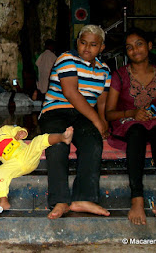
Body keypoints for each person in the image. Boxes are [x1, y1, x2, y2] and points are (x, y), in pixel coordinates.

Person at [38, 24, 111, 219]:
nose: (87, 48)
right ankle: (60, 201)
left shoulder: (105, 70)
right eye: (83, 43)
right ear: (77, 43)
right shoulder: (66, 59)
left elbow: (102, 100)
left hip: (83, 115)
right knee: (58, 143)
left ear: (101, 48)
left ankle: (83, 198)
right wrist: (96, 119)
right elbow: (71, 93)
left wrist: (102, 121)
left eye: (93, 45)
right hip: (56, 111)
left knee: (93, 142)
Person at [105, 28, 156, 225]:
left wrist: (150, 113)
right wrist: (133, 113)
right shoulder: (119, 75)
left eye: (139, 44)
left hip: (154, 119)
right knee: (137, 131)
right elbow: (109, 113)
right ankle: (137, 200)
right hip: (128, 121)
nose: (135, 50)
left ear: (149, 46)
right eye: (129, 47)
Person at [0, 112, 74, 215]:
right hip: (14, 166)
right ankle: (3, 201)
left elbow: (17, 129)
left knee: (38, 140)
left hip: (27, 155)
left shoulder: (5, 130)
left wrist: (21, 132)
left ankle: (62, 137)